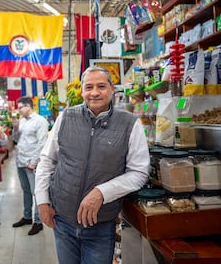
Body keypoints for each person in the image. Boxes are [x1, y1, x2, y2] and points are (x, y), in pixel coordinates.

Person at [35, 66, 150, 263]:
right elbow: (47, 160)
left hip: (100, 224)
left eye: (101, 86)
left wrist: (102, 192)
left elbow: (139, 172)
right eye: (88, 87)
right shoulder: (66, 117)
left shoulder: (130, 124)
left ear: (112, 89)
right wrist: (42, 201)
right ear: (82, 91)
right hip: (62, 221)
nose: (94, 92)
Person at [12, 96, 49, 235]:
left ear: (29, 106)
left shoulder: (40, 121)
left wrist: (33, 162)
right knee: (26, 190)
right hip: (20, 161)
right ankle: (27, 216)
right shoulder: (21, 121)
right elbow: (16, 140)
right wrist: (15, 129)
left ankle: (38, 222)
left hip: (31, 164)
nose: (19, 110)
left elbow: (42, 143)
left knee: (36, 192)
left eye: (21, 107)